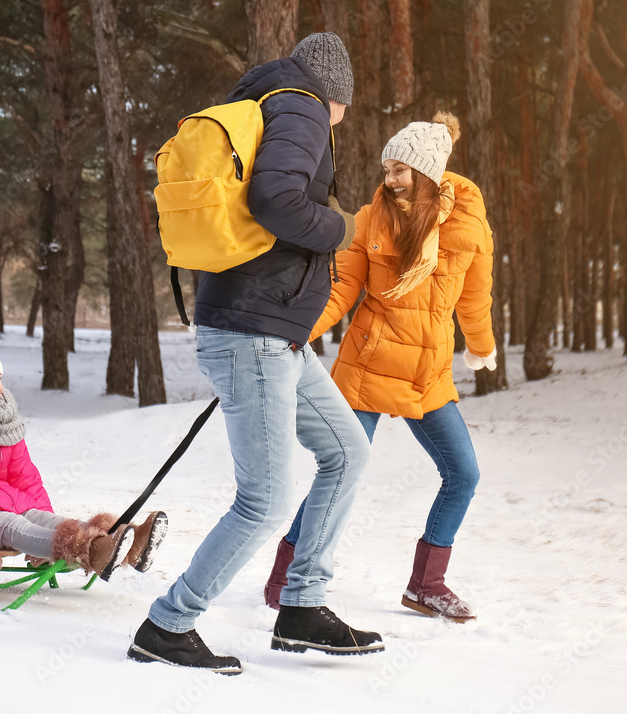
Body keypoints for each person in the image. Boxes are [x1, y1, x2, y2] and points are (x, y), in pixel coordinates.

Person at [127, 32, 381, 676]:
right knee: (264, 501)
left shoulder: (264, 102)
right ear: (339, 92)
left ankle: (302, 605)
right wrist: (342, 227)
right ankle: (168, 624)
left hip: (272, 331)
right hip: (254, 334)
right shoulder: (301, 108)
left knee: (347, 450)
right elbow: (277, 201)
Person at [263, 112, 496, 624]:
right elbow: (343, 286)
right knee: (341, 467)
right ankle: (285, 577)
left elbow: (475, 299)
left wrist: (482, 347)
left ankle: (426, 584)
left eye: (399, 171)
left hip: (426, 375)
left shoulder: (469, 228)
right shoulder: (371, 219)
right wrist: (298, 330)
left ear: (429, 171)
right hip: (367, 369)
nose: (388, 180)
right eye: (386, 169)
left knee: (463, 473)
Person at [0, 330, 168, 582]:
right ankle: (97, 550)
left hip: (0, 504)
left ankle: (129, 544)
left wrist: (43, 527)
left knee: (49, 521)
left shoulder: (1, 423)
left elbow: (26, 477)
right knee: (15, 526)